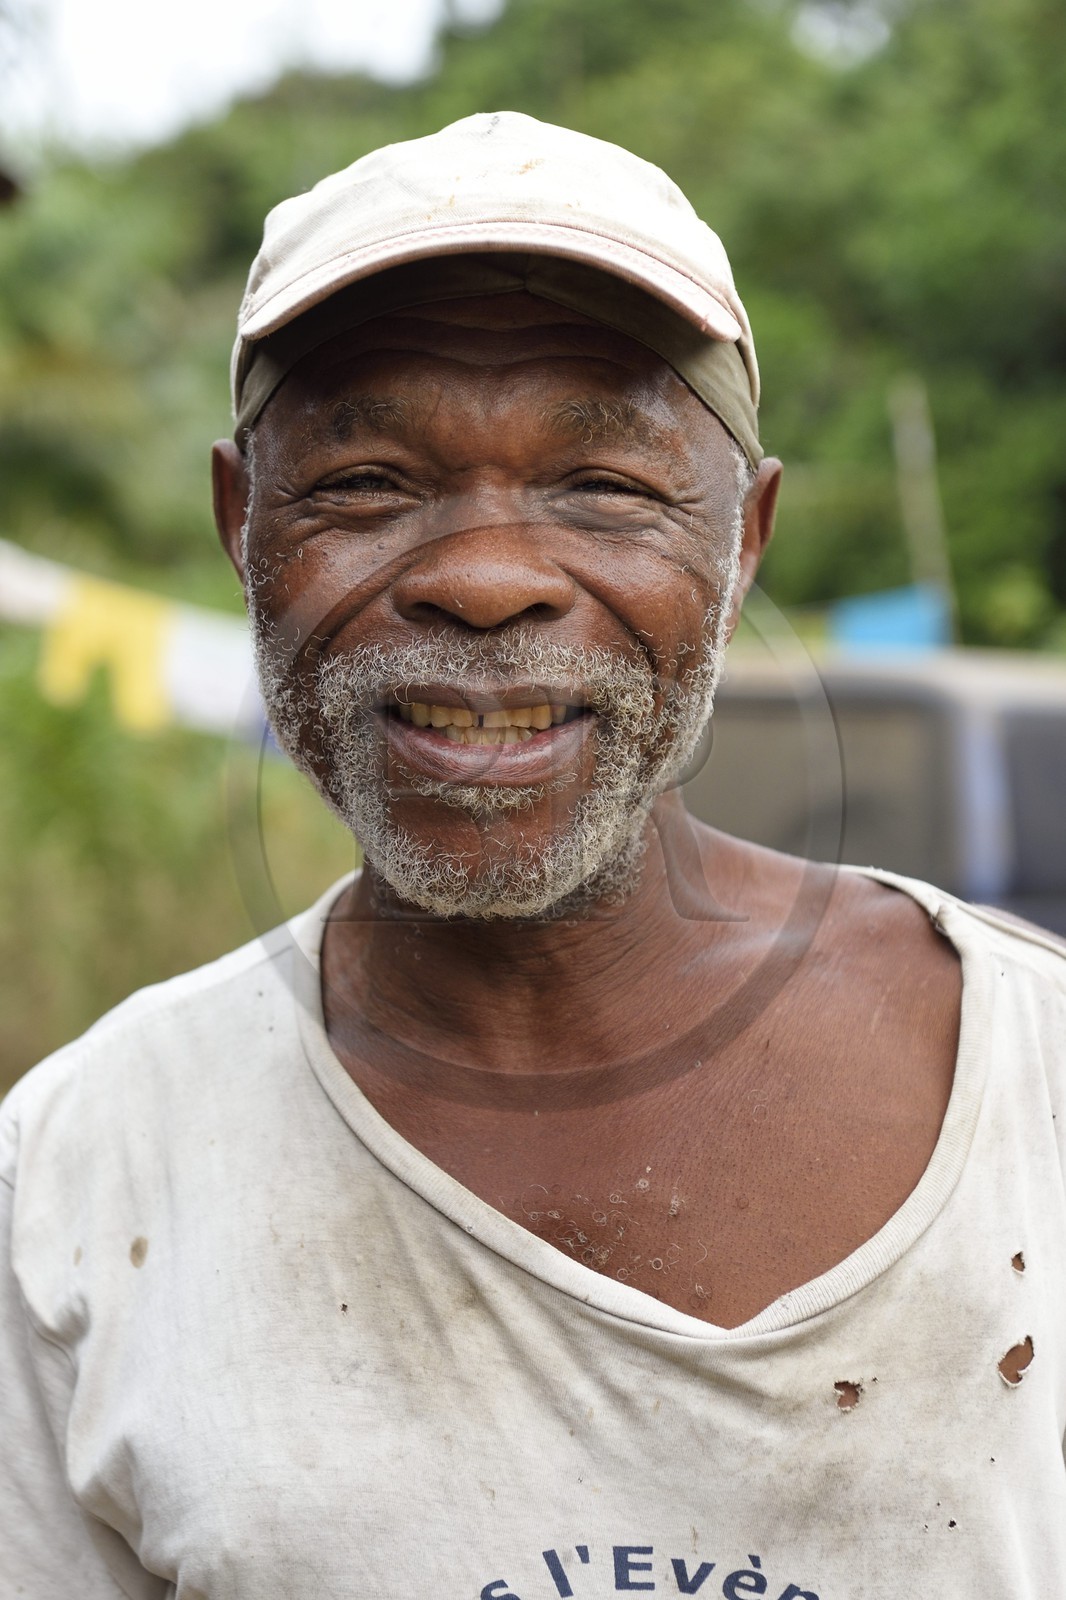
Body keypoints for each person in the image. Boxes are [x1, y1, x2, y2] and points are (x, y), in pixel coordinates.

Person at [2, 111, 1064, 1600]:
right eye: (366, 481)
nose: (485, 580)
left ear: (742, 542)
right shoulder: (76, 1181)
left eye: (608, 488)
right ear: (243, 529)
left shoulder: (1039, 1087)